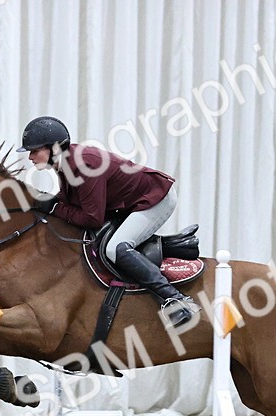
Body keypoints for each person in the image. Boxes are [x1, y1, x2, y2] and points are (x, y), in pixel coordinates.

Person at [18, 116, 200, 328]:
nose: (30, 157)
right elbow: (74, 201)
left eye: (35, 150)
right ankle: (177, 245)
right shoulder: (66, 163)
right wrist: (47, 201)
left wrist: (55, 207)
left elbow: (92, 218)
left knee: (116, 249)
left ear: (54, 148)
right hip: (128, 202)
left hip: (154, 198)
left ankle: (176, 299)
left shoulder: (83, 164)